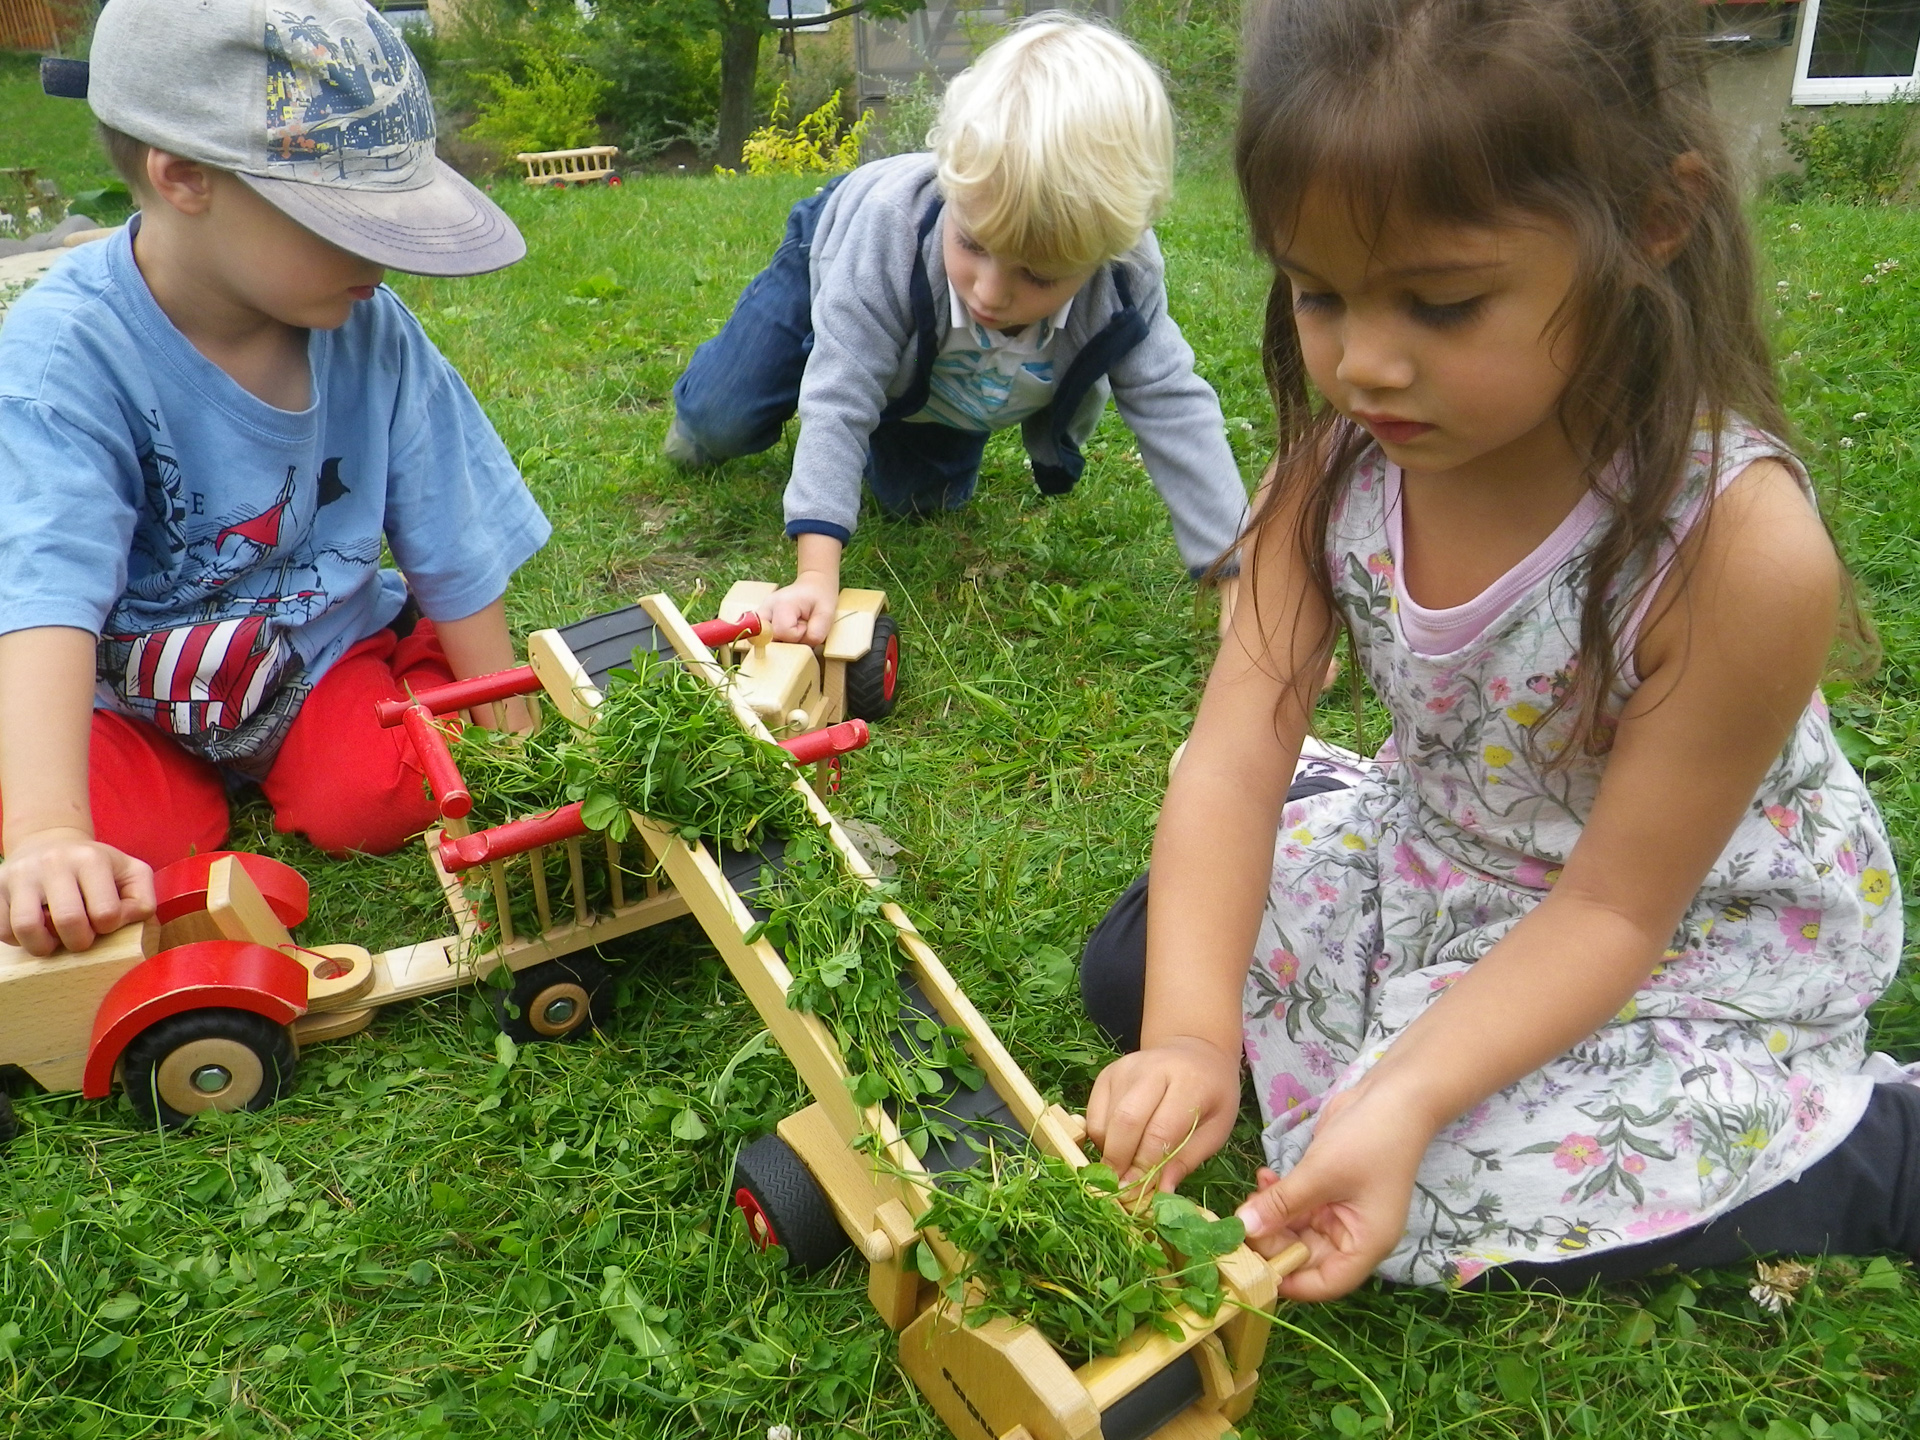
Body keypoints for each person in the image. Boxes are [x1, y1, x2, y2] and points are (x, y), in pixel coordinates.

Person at [1079, 0, 1915, 1299]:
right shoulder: (1330, 476)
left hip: (1672, 937)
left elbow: (1614, 910)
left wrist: (1406, 1097)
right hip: (1438, 859)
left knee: (1430, 1192)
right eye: (1319, 293)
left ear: (1652, 220)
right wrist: (1186, 1039)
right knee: (1138, 967)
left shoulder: (1734, 551)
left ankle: (1876, 1146)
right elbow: (1236, 757)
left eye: (1444, 303)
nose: (1364, 363)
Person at [0, 0, 548, 957]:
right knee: (114, 851)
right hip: (126, 690)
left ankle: (407, 674)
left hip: (315, 658)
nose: (381, 256)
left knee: (379, 800)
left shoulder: (373, 333)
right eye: (347, 221)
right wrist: (46, 831)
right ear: (184, 179)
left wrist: (503, 712)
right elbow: (44, 590)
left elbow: (451, 530)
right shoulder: (61, 361)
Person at [665, 13, 1249, 644]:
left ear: (1105, 252)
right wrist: (816, 570)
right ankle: (705, 419)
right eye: (972, 243)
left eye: (1039, 274)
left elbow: (1174, 410)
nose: (991, 292)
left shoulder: (1124, 282)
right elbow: (842, 388)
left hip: (925, 367)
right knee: (724, 418)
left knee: (921, 502)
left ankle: (895, 411)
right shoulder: (892, 229)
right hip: (833, 260)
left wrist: (1239, 579)